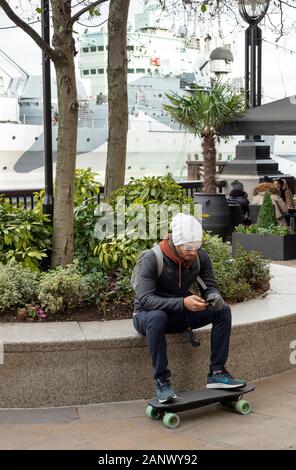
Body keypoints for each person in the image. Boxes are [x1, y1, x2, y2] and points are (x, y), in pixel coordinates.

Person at [132, 213, 246, 403]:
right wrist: (182, 303)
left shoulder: (199, 258)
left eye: (197, 246)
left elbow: (209, 286)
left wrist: (213, 297)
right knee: (157, 317)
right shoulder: (151, 259)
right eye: (188, 247)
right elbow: (145, 300)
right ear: (175, 242)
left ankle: (217, 372)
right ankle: (162, 381)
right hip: (147, 317)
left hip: (179, 314)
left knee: (223, 311)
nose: (193, 252)